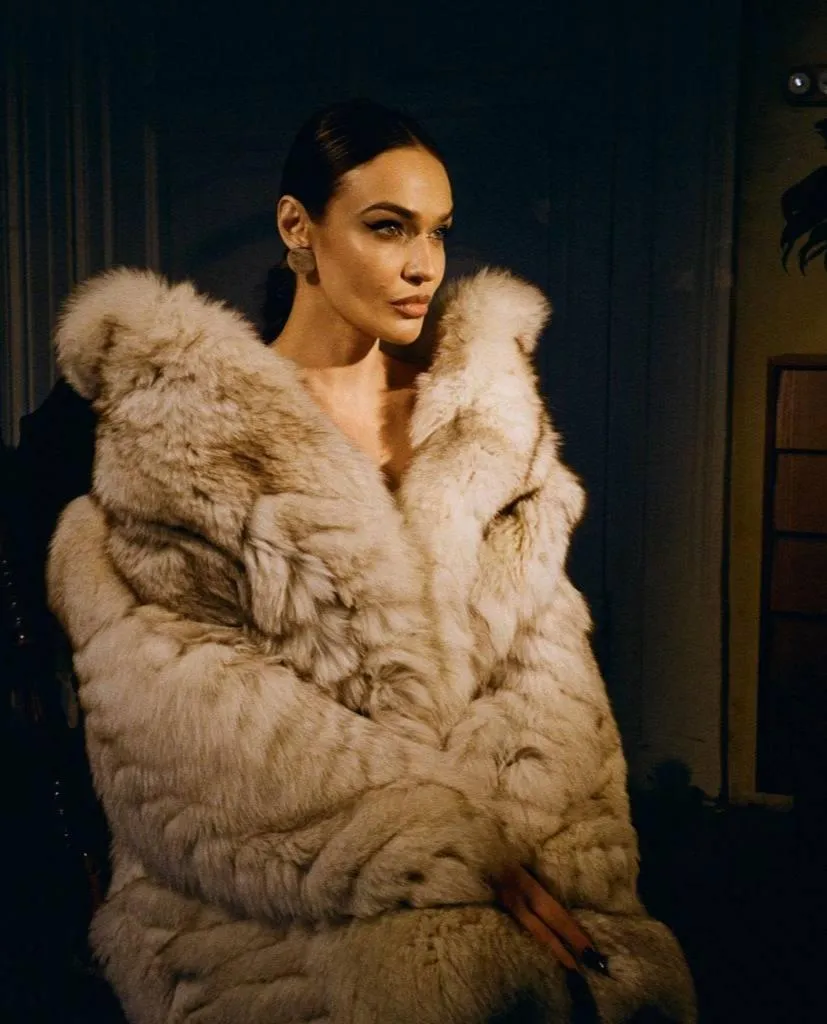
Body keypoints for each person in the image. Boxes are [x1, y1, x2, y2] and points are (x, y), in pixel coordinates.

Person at [47, 99, 695, 1023]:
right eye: (387, 228)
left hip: (503, 863)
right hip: (258, 894)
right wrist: (440, 850)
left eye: (436, 232)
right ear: (296, 228)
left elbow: (546, 670)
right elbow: (178, 716)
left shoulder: (485, 427)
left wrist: (528, 858)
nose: (422, 264)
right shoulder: (187, 437)